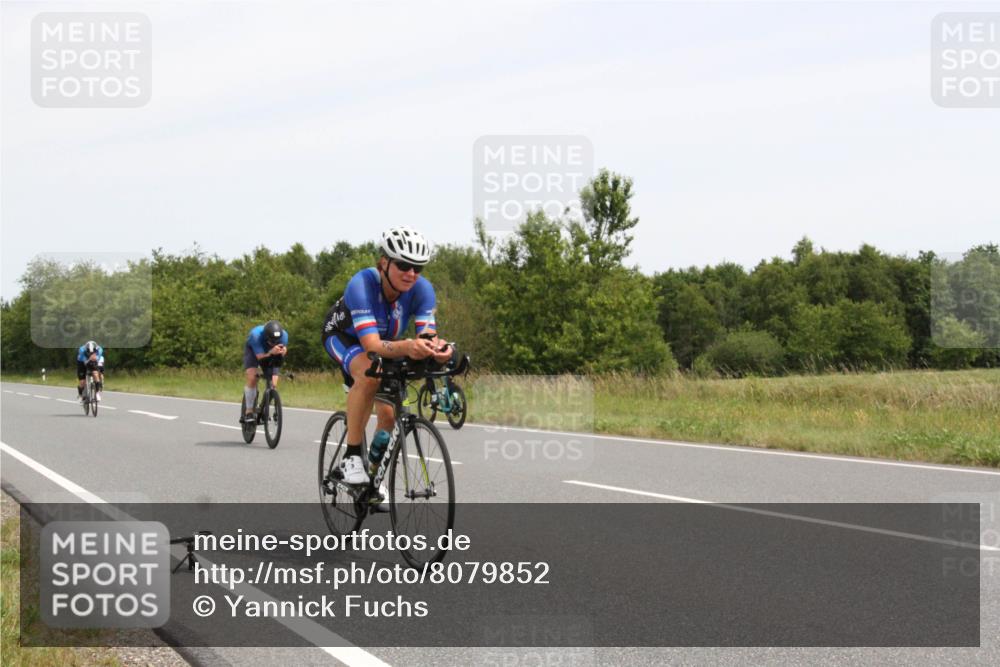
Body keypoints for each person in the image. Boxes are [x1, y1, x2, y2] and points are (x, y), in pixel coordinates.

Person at [322, 226, 453, 488]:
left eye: (418, 268)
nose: (411, 274)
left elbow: (427, 336)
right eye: (404, 265)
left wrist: (438, 351)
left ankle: (372, 476)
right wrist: (406, 346)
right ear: (384, 262)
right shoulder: (361, 285)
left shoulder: (422, 290)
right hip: (343, 337)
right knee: (370, 374)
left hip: (386, 342)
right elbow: (370, 344)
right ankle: (351, 458)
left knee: (389, 416)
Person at [242, 320, 288, 421]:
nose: (274, 343)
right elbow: (260, 358)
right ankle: (249, 411)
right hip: (254, 352)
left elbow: (280, 357)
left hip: (272, 353)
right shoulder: (256, 336)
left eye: (276, 341)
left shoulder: (284, 335)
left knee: (273, 384)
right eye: (272, 341)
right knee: (253, 377)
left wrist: (283, 352)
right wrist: (271, 352)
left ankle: (265, 405)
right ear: (266, 337)